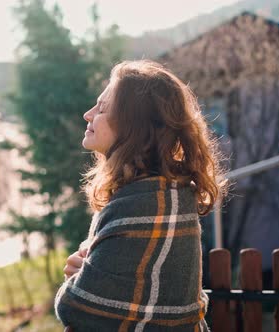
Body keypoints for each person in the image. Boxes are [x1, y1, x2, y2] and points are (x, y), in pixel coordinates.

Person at [54, 60, 225, 331]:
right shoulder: (156, 191)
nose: (88, 114)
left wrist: (78, 278)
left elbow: (77, 307)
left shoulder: (145, 201)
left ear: (133, 124)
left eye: (102, 109)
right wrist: (88, 270)